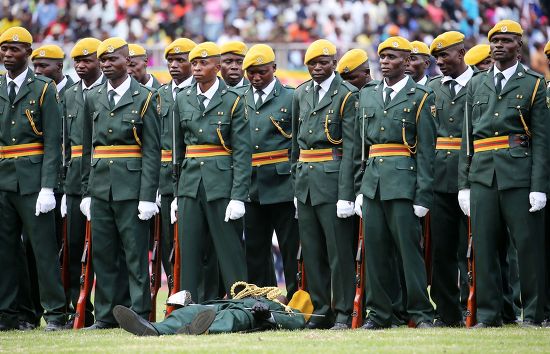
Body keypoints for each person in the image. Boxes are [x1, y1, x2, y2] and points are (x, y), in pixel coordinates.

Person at [457, 20, 549, 328]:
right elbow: (466, 139)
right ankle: (489, 314)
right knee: (484, 247)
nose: (498, 45)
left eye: (506, 40)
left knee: (528, 247)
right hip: (482, 174)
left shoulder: (534, 83)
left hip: (519, 174)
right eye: (494, 40)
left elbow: (541, 140)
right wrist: (464, 184)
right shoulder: (476, 84)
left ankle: (534, 314)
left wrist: (539, 186)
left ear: (518, 46)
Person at [353, 36, 436, 329]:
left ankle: (420, 313)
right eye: (383, 57)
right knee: (375, 252)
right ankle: (379, 314)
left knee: (409, 253)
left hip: (405, 182)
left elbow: (427, 152)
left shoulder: (421, 96)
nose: (385, 62)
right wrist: (358, 189)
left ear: (406, 60)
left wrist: (423, 196)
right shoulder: (368, 95)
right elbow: (360, 148)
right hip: (373, 183)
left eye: (392, 57)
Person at [80, 37, 161, 329]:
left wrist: (147, 196)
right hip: (101, 186)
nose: (106, 64)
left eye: (112, 59)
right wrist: (87, 190)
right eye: (103, 60)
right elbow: (88, 148)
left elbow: (152, 150)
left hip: (131, 186)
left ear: (127, 61)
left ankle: (139, 313)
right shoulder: (92, 97)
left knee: (135, 254)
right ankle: (105, 315)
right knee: (103, 253)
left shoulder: (146, 97)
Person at [169, 42, 251, 303]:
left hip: (221, 184)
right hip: (190, 184)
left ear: (217, 67)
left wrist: (238, 196)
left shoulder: (233, 101)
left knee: (229, 251)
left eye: (202, 63)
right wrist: (176, 192)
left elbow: (241, 152)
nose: (196, 68)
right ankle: (188, 308)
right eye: (193, 63)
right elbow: (177, 151)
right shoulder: (182, 99)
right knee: (189, 251)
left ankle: (242, 306)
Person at [0, 26, 67, 331]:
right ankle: (10, 313)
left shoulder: (42, 88)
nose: (8, 55)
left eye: (14, 50)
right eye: (4, 49)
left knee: (42, 250)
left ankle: (55, 312)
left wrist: (47, 186)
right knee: (6, 250)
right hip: (3, 179)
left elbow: (53, 140)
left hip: (32, 179)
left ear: (27, 53)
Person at [291, 39, 357, 330]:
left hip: (332, 179)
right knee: (313, 251)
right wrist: (296, 183)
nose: (317, 67)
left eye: (323, 62)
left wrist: (347, 193)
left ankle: (343, 311)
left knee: (339, 252)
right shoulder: (301, 93)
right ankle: (321, 309)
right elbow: (294, 143)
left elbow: (352, 148)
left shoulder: (347, 94)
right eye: (312, 63)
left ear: (334, 62)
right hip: (305, 179)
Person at [241, 44, 299, 299]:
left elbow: (298, 142)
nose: (255, 77)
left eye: (261, 72)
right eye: (251, 72)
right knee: (254, 249)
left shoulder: (291, 97)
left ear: (274, 69)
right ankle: (262, 301)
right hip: (251, 184)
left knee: (290, 248)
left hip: (282, 183)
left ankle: (297, 300)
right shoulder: (239, 98)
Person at [428, 31, 477, 327]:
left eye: (444, 55)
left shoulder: (479, 83)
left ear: (461, 53)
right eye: (436, 57)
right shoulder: (433, 88)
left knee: (471, 249)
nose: (439, 62)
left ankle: (475, 307)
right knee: (442, 250)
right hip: (438, 177)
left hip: (472, 175)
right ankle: (446, 312)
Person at [61, 37, 105, 327]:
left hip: (103, 177)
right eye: (76, 60)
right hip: (75, 181)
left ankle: (105, 310)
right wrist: (64, 186)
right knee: (73, 248)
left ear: (100, 62)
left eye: (86, 60)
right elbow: (64, 144)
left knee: (103, 248)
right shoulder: (68, 94)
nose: (80, 65)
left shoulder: (106, 90)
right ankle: (75, 310)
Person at [113, 283, 306, 336]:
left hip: (249, 315)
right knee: (188, 311)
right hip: (216, 306)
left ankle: (195, 330)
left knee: (230, 318)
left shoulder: (280, 307)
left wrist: (269, 314)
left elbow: (298, 319)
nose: (274, 293)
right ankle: (153, 328)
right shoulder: (248, 295)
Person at [156, 38, 196, 293]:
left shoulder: (199, 92)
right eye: (170, 60)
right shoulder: (160, 94)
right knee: (168, 245)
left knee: (194, 243)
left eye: (180, 60)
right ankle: (174, 292)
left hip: (192, 177)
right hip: (164, 180)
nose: (173, 65)